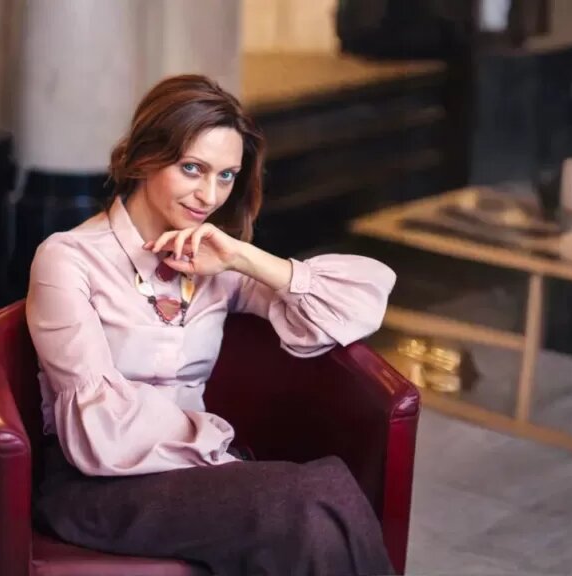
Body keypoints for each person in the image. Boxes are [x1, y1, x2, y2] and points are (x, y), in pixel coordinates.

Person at [26, 74, 397, 576]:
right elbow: (98, 424)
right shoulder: (69, 258)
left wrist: (243, 257)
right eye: (192, 169)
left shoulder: (214, 261)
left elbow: (358, 306)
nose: (209, 195)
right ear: (145, 158)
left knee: (329, 491)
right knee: (310, 502)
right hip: (95, 482)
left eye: (226, 176)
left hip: (192, 475)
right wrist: (212, 446)